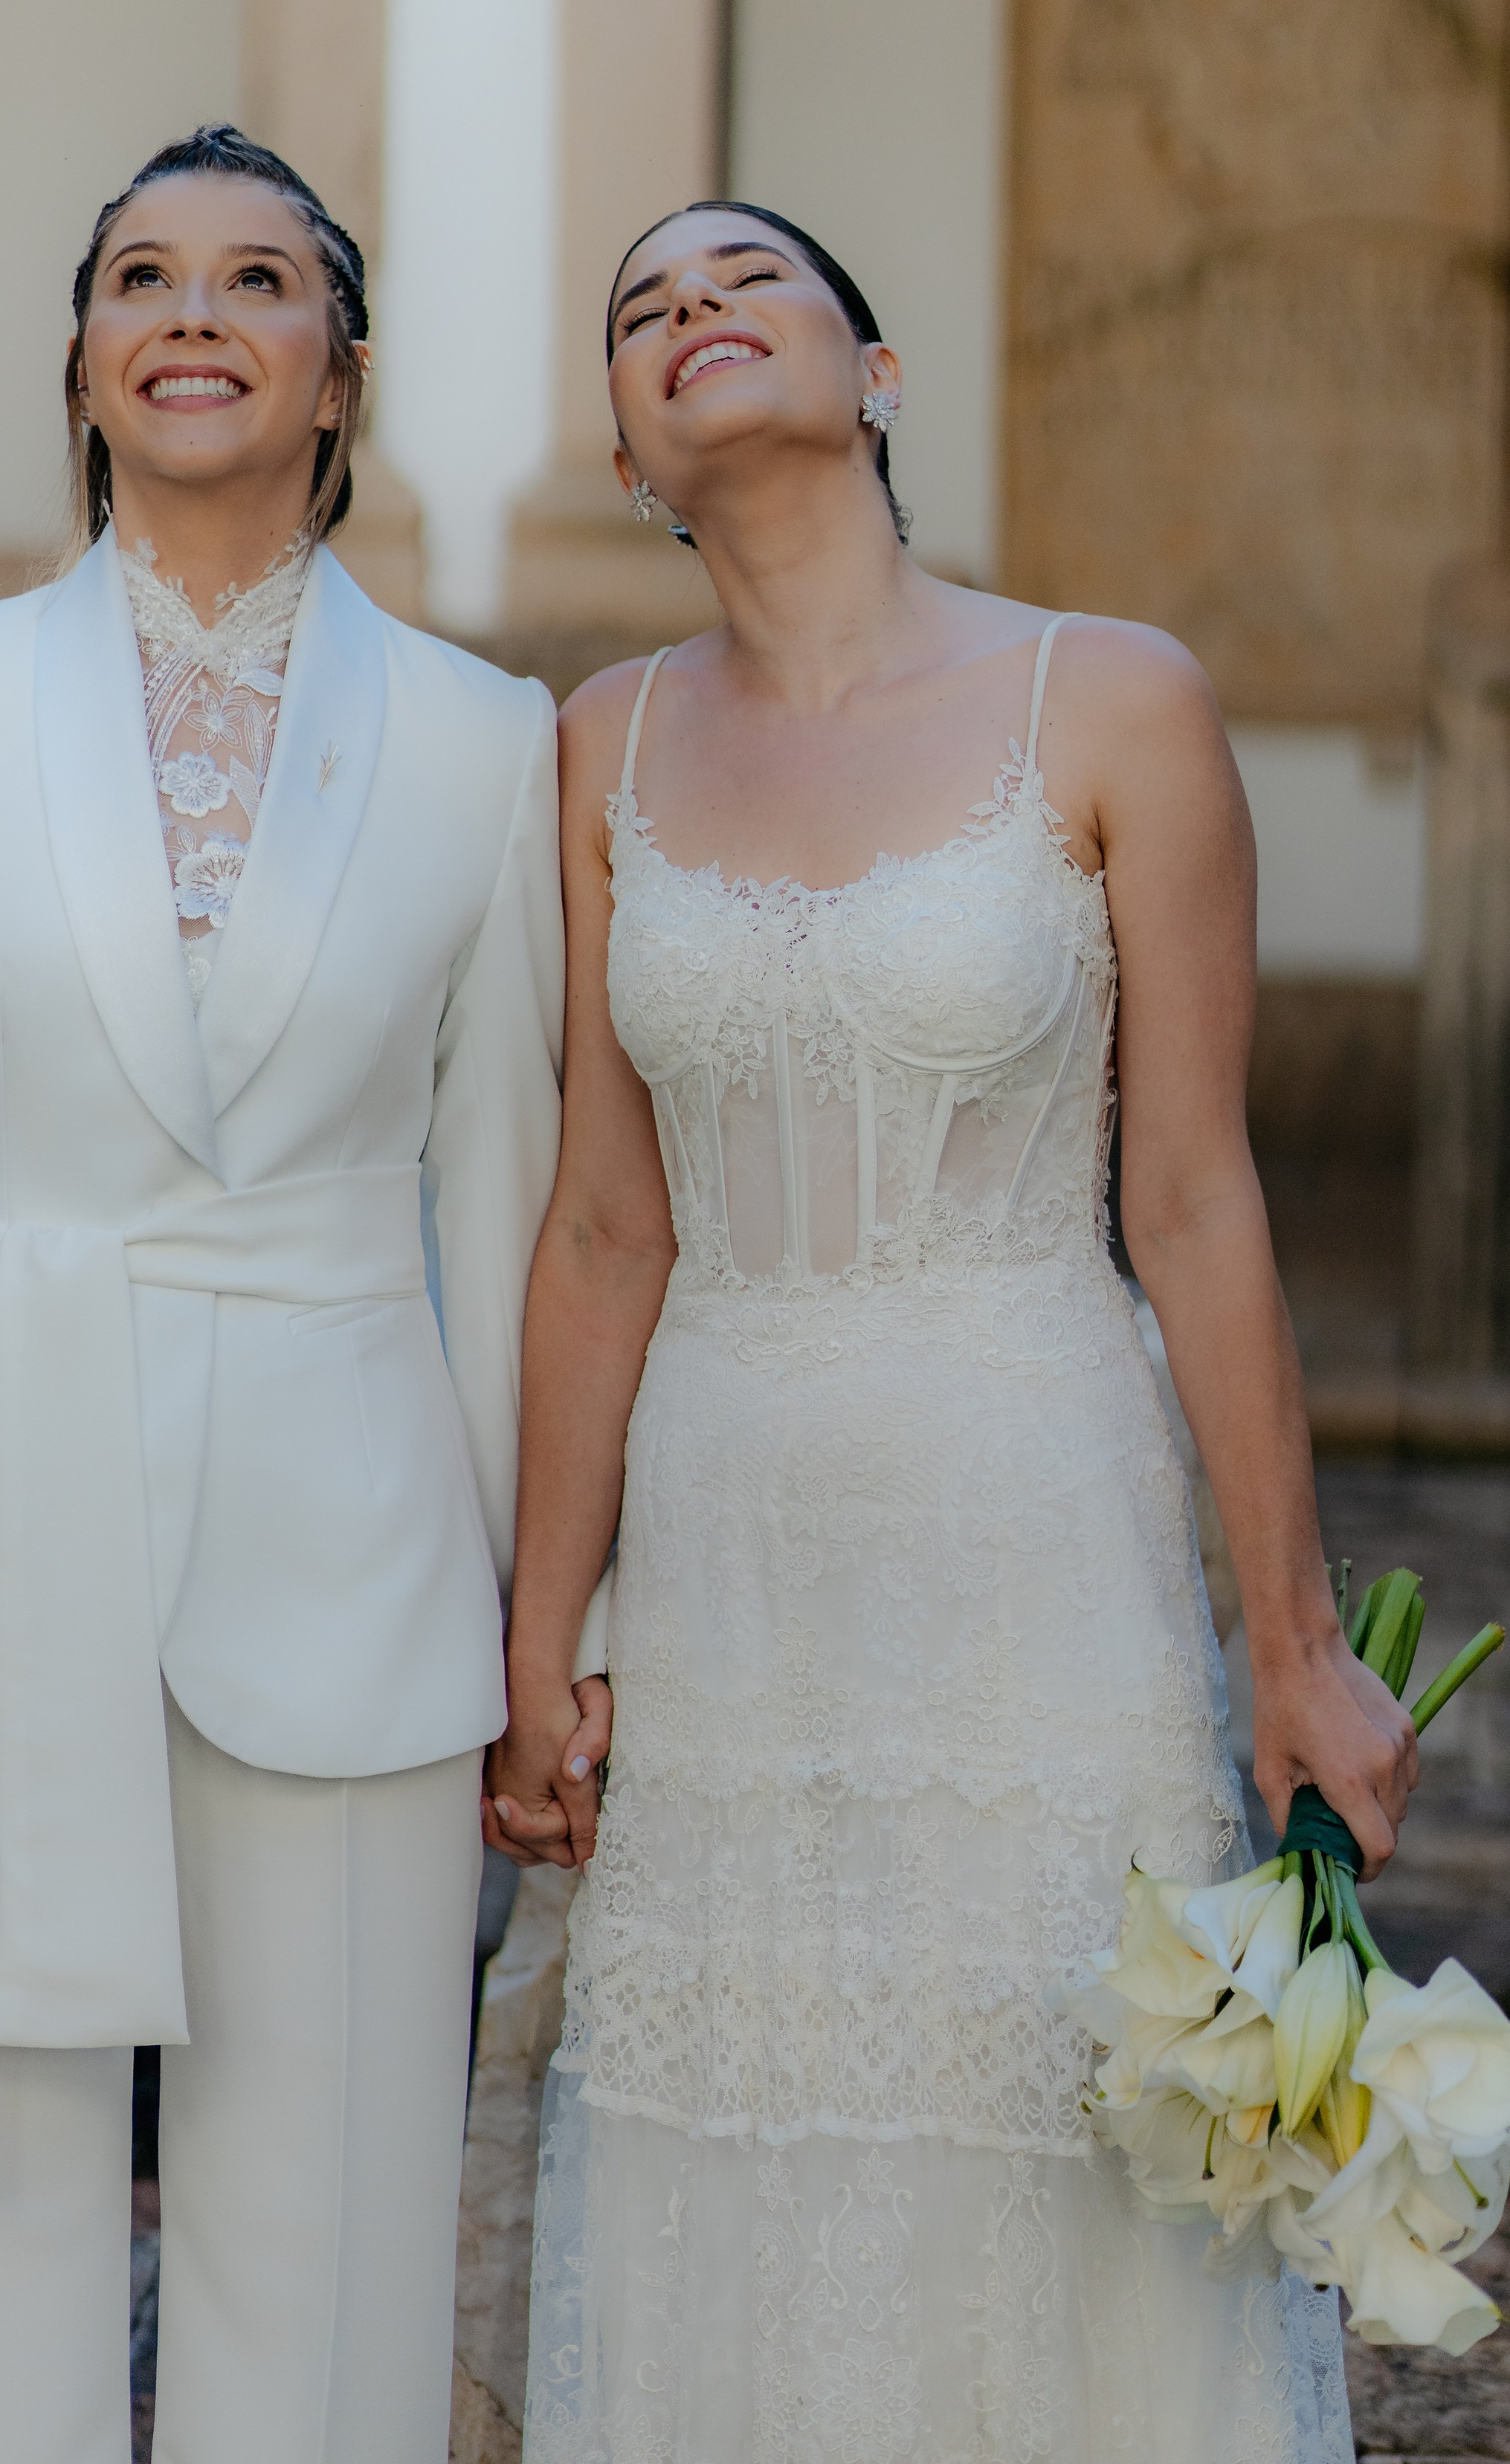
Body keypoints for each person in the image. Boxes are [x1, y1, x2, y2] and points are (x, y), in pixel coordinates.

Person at [486, 202, 1417, 2460]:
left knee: (1054, 2155)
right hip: (727, 1566)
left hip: (1035, 1538)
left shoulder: (1108, 698)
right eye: (642, 310)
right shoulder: (598, 748)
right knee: (733, 2145)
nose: (692, 310)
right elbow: (608, 1226)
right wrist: (537, 1633)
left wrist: (1291, 1640)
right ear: (629, 450)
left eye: (747, 279)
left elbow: (1195, 1200)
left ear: (878, 374)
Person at [0, 126, 566, 2464]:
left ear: (342, 375)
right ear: (80, 364)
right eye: (144, 276)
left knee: (344, 2193)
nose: (197, 311)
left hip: (361, 1565)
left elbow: (509, 1219)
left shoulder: (489, 747)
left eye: (260, 277)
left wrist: (540, 1629)